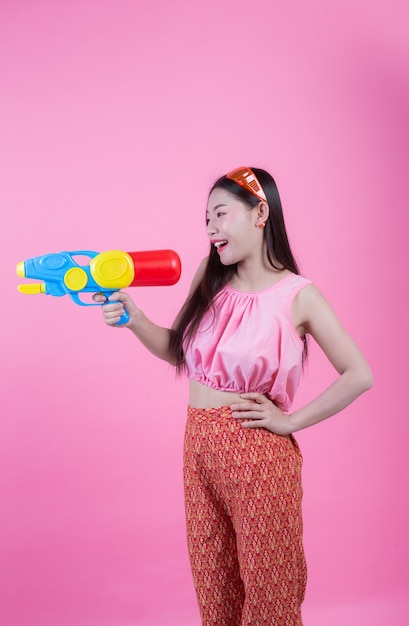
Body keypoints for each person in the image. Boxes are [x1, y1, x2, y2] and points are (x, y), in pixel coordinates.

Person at [95, 166, 373, 626]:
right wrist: (134, 317)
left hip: (258, 454)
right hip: (198, 449)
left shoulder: (297, 295)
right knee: (215, 592)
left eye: (221, 215)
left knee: (269, 596)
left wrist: (290, 421)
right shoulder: (210, 277)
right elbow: (178, 351)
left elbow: (358, 373)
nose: (210, 229)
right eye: (206, 218)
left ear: (260, 212)